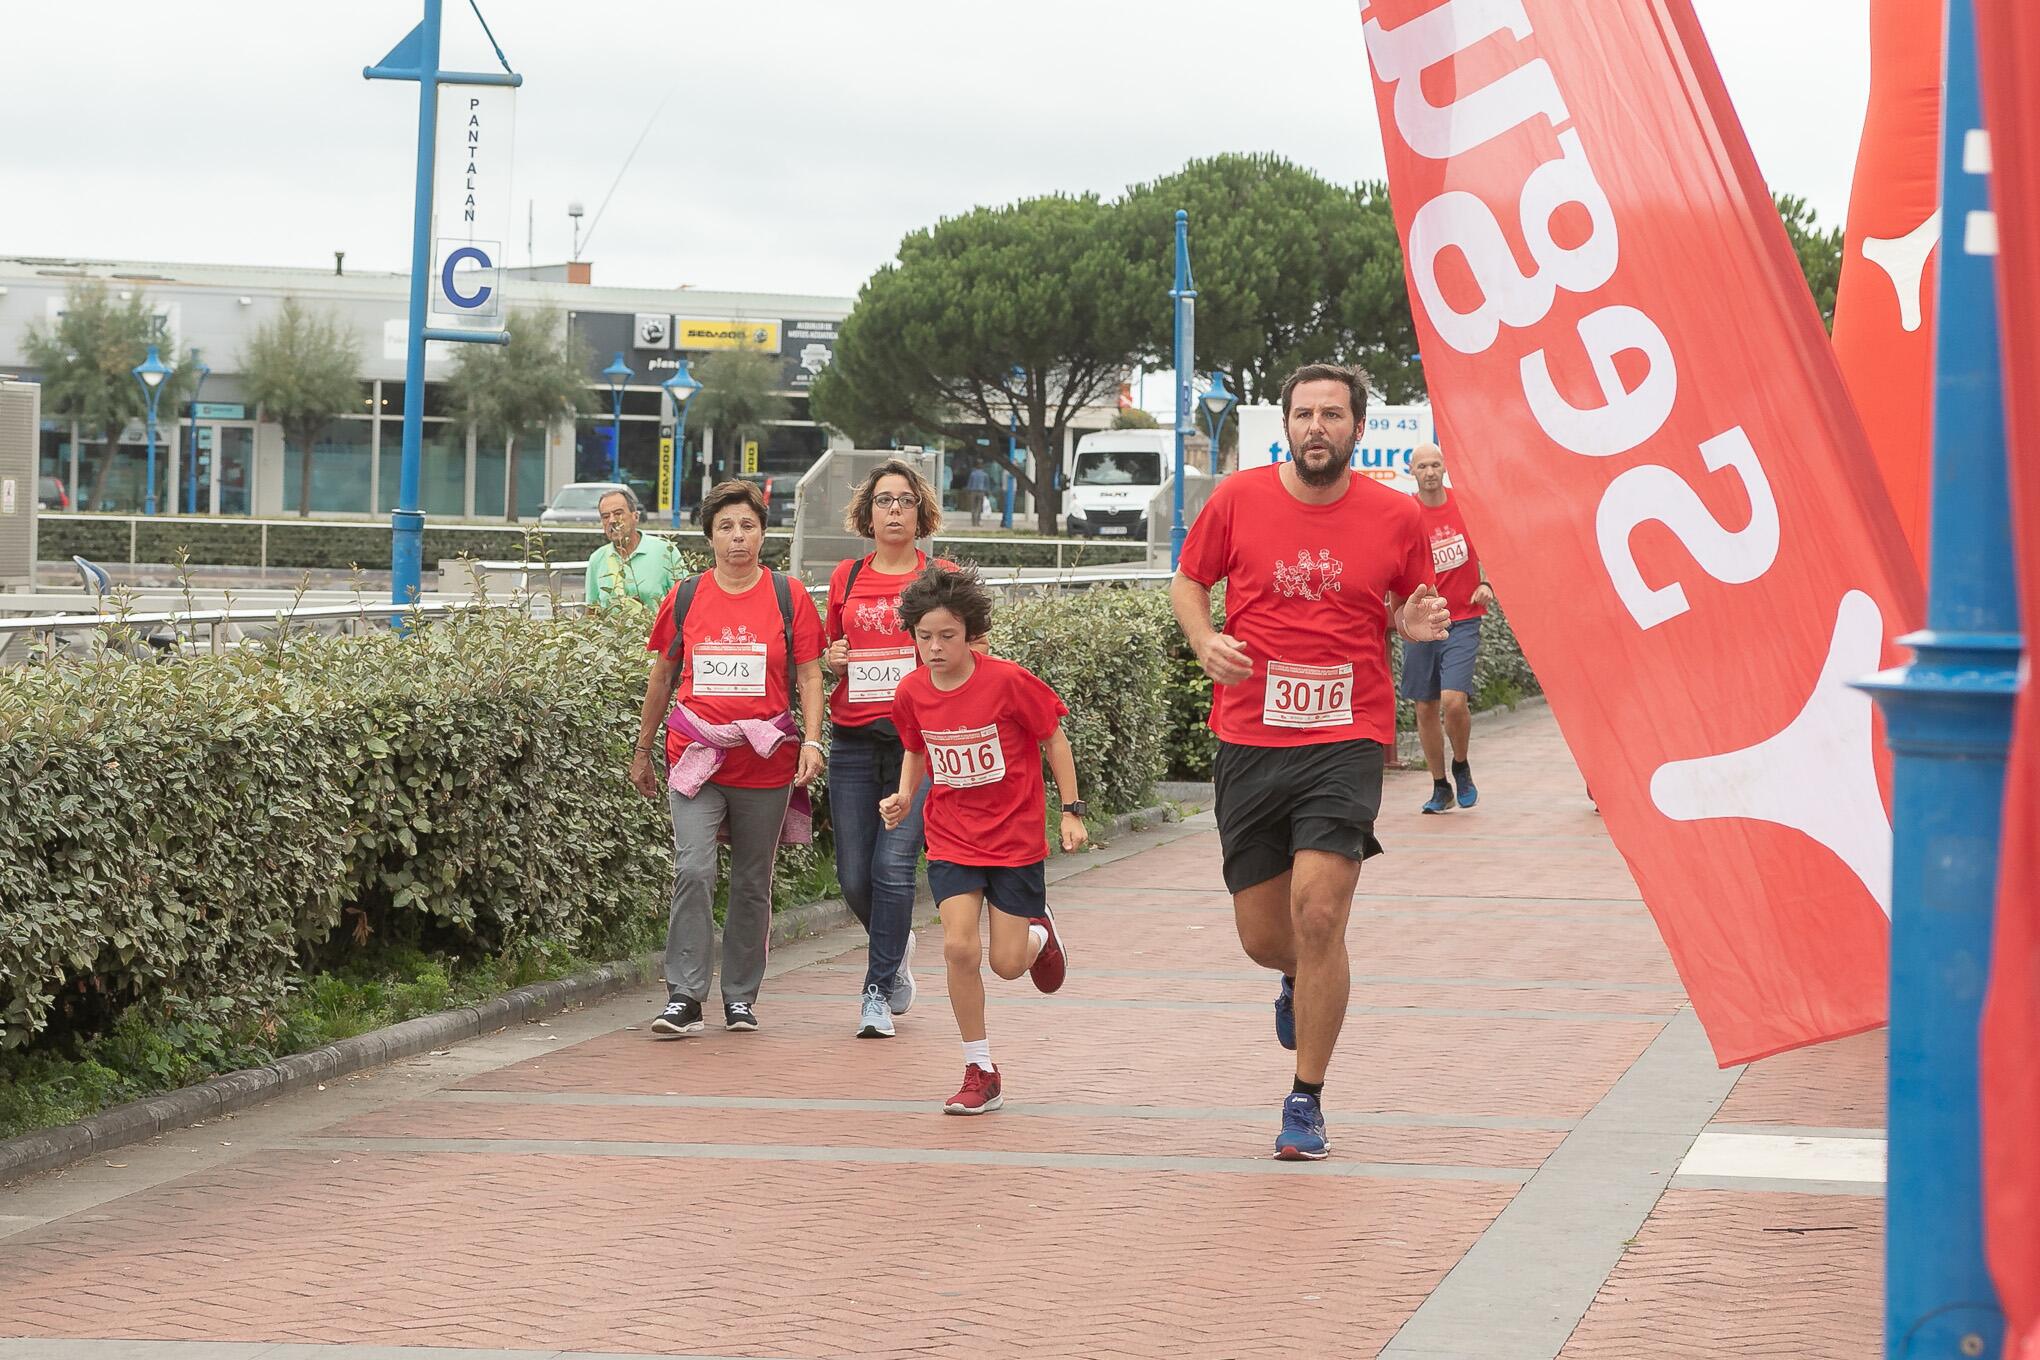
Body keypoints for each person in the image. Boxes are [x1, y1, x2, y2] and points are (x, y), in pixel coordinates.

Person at [1170, 362, 1450, 1161]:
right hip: (1251, 737)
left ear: (1358, 429)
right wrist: (1204, 639)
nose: (1316, 427)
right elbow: (1189, 583)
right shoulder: (1236, 500)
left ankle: (1306, 1099)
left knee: (1320, 914)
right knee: (1267, 935)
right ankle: (1298, 977)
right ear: (1285, 426)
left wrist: (1417, 621)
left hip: (1346, 736)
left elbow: (1410, 602)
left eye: (1332, 414)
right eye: (1303, 414)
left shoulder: (1397, 516)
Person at [881, 566, 1088, 1115]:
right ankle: (980, 1067)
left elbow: (1054, 739)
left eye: (947, 635)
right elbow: (916, 747)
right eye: (924, 637)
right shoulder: (911, 692)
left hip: (1015, 838)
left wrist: (1071, 810)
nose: (934, 647)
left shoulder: (1007, 681)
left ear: (970, 633)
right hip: (951, 836)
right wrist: (904, 795)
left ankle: (1040, 938)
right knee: (957, 947)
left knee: (1007, 964)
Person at [629, 479, 827, 1038]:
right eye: (725, 527)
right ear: (710, 536)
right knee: (693, 868)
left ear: (763, 532)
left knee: (751, 881)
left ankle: (740, 996)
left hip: (766, 763)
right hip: (695, 758)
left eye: (747, 526)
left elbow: (810, 674)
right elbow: (663, 675)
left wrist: (812, 741)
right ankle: (684, 995)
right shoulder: (687, 596)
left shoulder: (789, 597)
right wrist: (643, 751)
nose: (737, 537)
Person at [824, 458, 955, 1039]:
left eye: (905, 500)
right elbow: (828, 650)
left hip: (918, 748)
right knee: (853, 874)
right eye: (884, 500)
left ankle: (875, 992)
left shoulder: (942, 576)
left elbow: (972, 649)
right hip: (853, 740)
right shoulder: (845, 578)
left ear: (921, 513)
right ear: (867, 513)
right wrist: (833, 661)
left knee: (893, 865)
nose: (895, 510)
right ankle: (894, 947)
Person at [1402, 443, 1496, 813]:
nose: (1429, 471)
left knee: (1454, 702)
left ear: (1444, 468)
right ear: (1412, 471)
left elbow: (1489, 546)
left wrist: (1487, 583)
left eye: (1435, 464)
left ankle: (1461, 764)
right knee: (1425, 706)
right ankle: (1440, 786)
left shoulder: (1465, 505)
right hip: (1422, 622)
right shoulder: (1406, 512)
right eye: (1422, 465)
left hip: (1464, 617)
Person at [585, 487, 685, 611]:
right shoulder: (597, 559)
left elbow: (685, 603)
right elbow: (592, 611)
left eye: (618, 513)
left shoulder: (666, 551)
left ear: (635, 516)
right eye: (605, 516)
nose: (612, 520)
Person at [965, 464, 992, 528]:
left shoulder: (973, 474)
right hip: (981, 492)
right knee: (979, 507)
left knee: (973, 507)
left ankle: (973, 522)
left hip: (973, 492)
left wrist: (968, 491)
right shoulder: (985, 475)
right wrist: (987, 493)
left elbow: (969, 484)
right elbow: (987, 485)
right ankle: (978, 521)